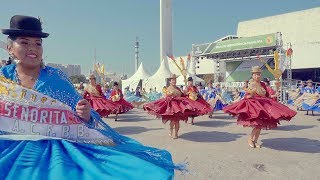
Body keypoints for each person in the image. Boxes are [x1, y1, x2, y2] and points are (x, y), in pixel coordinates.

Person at [0, 15, 179, 179]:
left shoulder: (56, 77)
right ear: (10, 48)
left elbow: (84, 115)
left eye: (38, 43)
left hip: (53, 147)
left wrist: (84, 113)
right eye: (24, 42)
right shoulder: (3, 79)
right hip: (10, 145)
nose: (32, 48)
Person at [223, 66, 297, 148]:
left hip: (264, 105)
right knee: (258, 125)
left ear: (260, 75)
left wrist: (274, 95)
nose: (256, 76)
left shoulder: (262, 84)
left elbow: (267, 95)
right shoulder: (251, 83)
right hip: (256, 106)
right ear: (252, 75)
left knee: (260, 126)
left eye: (258, 74)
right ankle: (250, 139)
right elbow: (248, 95)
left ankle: (255, 141)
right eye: (254, 75)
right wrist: (250, 95)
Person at [143, 74, 209, 139]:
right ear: (170, 81)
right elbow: (166, 97)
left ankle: (176, 134)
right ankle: (171, 131)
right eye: (172, 80)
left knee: (177, 121)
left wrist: (186, 94)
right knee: (173, 121)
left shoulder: (178, 88)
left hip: (179, 107)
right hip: (171, 107)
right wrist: (170, 95)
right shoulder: (168, 88)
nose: (174, 81)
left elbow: (182, 95)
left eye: (175, 80)